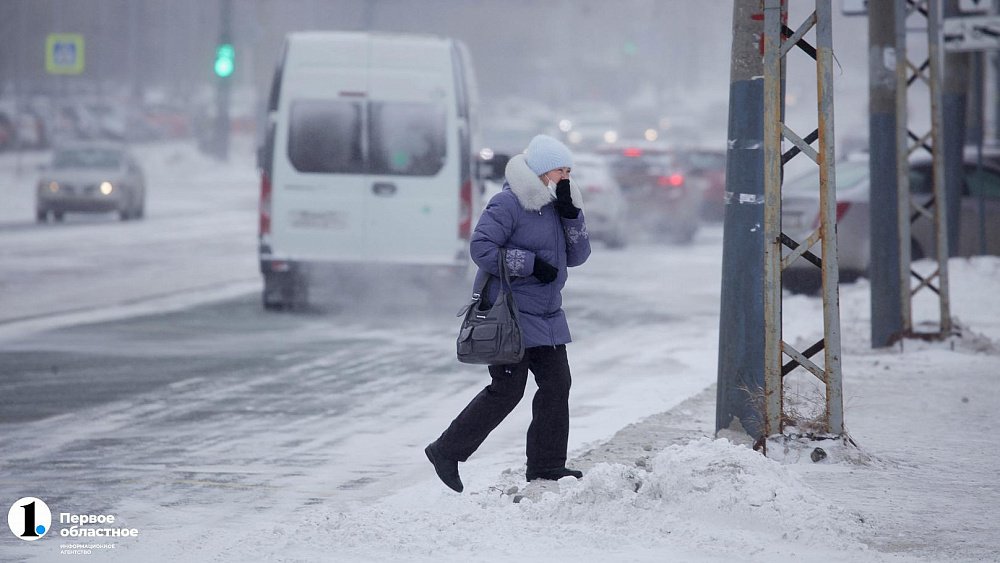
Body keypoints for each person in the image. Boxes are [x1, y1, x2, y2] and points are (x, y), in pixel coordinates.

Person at [425, 134, 591, 493]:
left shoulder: (559, 207)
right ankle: (446, 450)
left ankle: (546, 466)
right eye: (561, 170)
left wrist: (572, 216)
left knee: (557, 385)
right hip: (511, 315)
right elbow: (481, 248)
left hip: (547, 315)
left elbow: (578, 257)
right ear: (543, 171)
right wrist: (529, 264)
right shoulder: (509, 203)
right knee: (508, 390)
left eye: (569, 171)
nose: (567, 177)